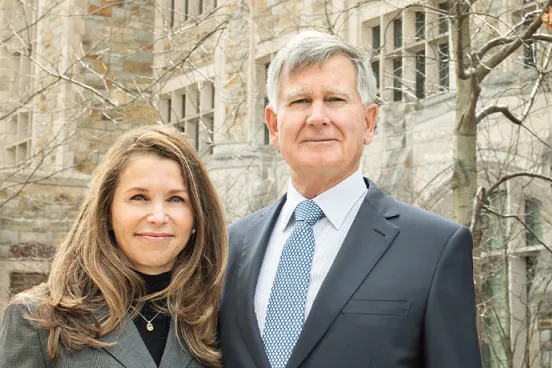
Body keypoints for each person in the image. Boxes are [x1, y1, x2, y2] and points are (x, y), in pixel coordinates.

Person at [219, 31, 482, 368]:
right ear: (273, 125)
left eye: (335, 99)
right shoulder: (229, 248)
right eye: (300, 101)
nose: (317, 117)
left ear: (369, 122)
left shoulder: (435, 249)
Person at [0, 125, 227, 368]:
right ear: (107, 210)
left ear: (198, 215)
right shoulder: (37, 319)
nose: (159, 216)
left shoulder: (220, 317)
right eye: (139, 197)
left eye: (176, 199)